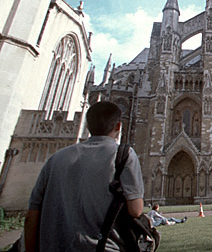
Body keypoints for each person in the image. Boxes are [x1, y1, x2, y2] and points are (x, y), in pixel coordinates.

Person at [24, 101, 145, 251]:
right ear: (119, 127)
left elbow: (32, 215)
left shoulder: (55, 159)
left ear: (87, 126)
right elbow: (136, 210)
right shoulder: (123, 155)